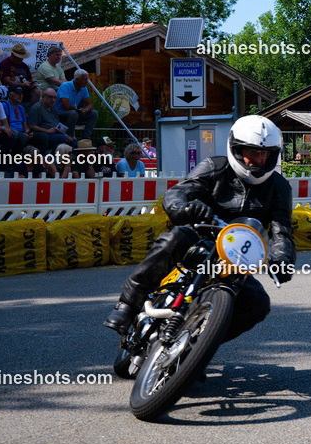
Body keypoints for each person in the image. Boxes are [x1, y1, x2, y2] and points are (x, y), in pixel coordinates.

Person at [104, 115, 296, 341]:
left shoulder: (280, 187)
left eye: (265, 153)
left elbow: (281, 230)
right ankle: (127, 304)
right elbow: (178, 192)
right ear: (235, 148)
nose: (259, 160)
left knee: (259, 304)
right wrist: (184, 208)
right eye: (252, 152)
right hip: (199, 238)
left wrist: (283, 259)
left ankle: (200, 344)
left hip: (236, 259)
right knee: (172, 240)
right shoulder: (215, 166)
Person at [54, 69, 98, 140]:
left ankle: (86, 139)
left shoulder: (83, 88)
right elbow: (67, 107)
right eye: (84, 79)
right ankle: (69, 138)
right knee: (74, 113)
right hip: (59, 114)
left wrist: (85, 110)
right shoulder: (65, 86)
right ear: (77, 80)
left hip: (74, 113)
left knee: (94, 113)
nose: (87, 82)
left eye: (87, 79)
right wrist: (79, 110)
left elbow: (90, 105)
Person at [0, 86, 35, 153]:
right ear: (10, 94)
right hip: (9, 131)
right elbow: (1, 124)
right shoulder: (4, 105)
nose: (20, 96)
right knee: (22, 137)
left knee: (41, 137)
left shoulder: (21, 108)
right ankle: (14, 159)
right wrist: (21, 133)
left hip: (21, 132)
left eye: (21, 94)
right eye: (18, 94)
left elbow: (24, 125)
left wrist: (28, 132)